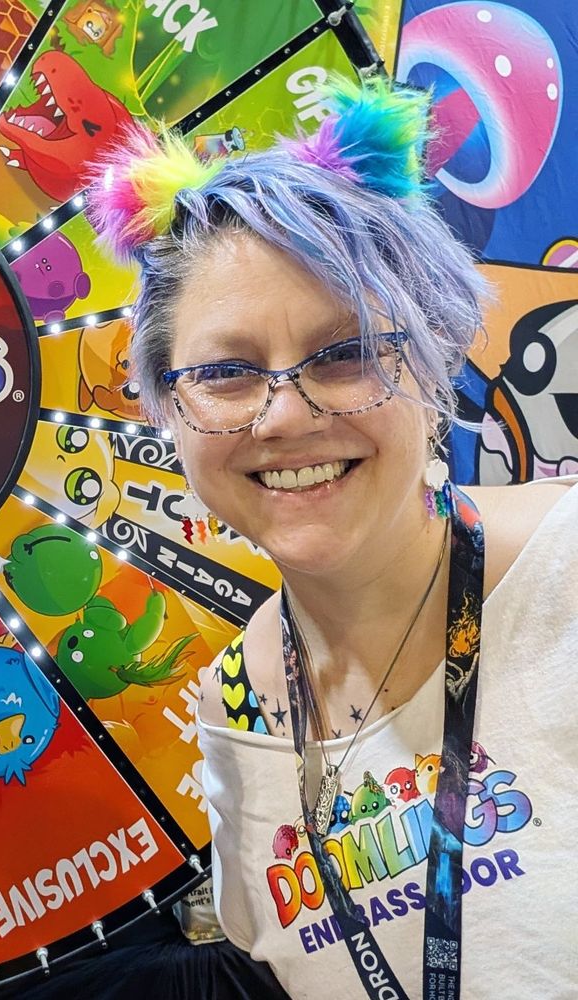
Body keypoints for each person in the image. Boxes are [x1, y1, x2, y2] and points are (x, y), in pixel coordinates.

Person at [87, 77, 577, 999]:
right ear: (168, 410)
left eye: (347, 354)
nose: (285, 414)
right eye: (226, 373)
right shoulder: (236, 706)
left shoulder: (566, 570)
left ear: (434, 359)